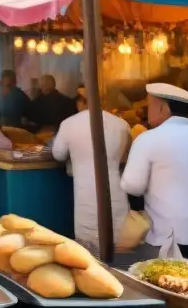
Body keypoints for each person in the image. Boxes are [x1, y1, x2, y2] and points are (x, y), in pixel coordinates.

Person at [121, 83, 188, 268]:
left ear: (163, 108)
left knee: (171, 290)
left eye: (150, 106)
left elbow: (132, 186)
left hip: (171, 241)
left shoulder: (148, 138)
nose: (147, 112)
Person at [51, 84, 131, 253]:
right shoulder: (121, 124)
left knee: (88, 248)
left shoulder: (69, 124)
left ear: (80, 102)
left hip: (85, 193)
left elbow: (58, 153)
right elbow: (125, 157)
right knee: (118, 244)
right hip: (116, 192)